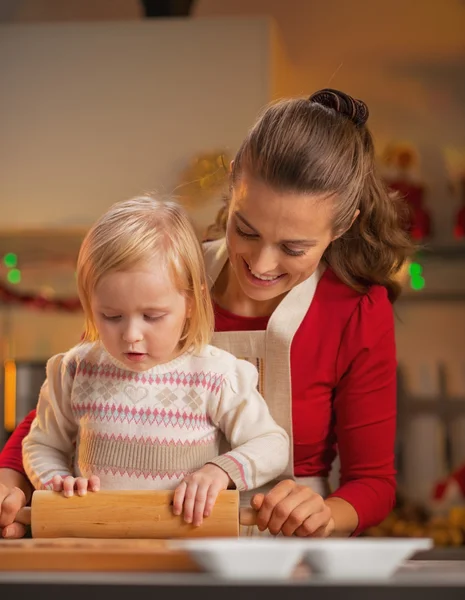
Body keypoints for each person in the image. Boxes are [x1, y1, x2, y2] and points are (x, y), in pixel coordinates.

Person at [0, 88, 413, 539]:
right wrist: (10, 486)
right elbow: (74, 398)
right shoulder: (169, 279)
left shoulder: (355, 310)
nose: (262, 263)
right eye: (246, 230)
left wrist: (324, 514)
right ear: (233, 183)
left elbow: (373, 484)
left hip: (285, 545)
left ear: (344, 225)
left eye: (294, 248)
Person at [14, 197, 290, 532]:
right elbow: (42, 444)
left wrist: (220, 471)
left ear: (191, 301)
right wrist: (55, 481)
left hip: (185, 548)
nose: (131, 335)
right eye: (111, 316)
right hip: (97, 543)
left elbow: (273, 444)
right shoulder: (74, 370)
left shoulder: (215, 375)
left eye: (152, 316)